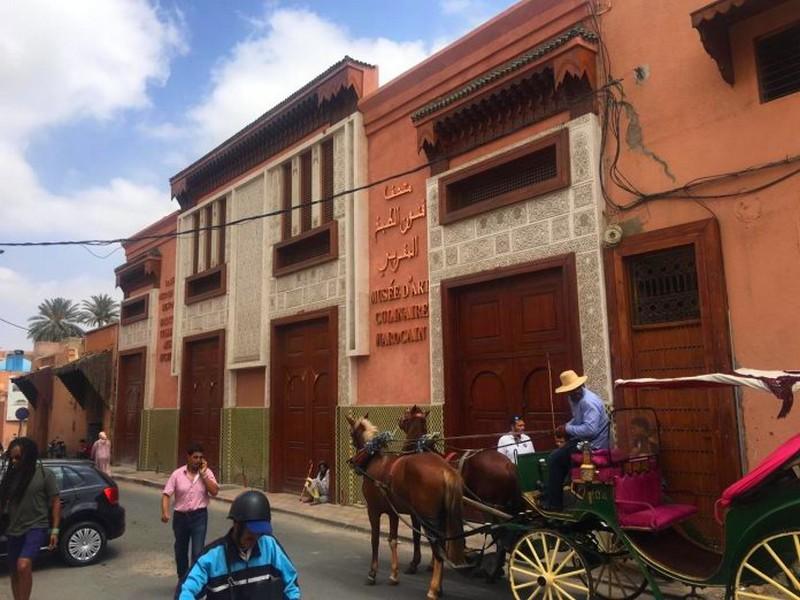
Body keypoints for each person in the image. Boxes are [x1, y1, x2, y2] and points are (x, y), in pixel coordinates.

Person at [176, 490, 301, 599]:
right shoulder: (211, 558)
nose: (255, 536)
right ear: (237, 525)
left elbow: (291, 584)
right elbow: (186, 591)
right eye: (251, 530)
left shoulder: (270, 546)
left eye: (260, 531)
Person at [0, 437, 60, 600]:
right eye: (12, 457)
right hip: (14, 528)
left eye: (18, 457)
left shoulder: (44, 474)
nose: (14, 461)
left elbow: (55, 502)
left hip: (36, 527)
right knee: (14, 570)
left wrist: (55, 529)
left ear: (29, 456)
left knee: (23, 565)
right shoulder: (10, 477)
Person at [543, 370, 610, 511]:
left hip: (594, 445)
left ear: (581, 386)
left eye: (576, 389)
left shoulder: (588, 402)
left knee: (554, 458)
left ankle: (554, 504)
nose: (575, 392)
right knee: (561, 454)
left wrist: (567, 429)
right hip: (583, 441)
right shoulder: (574, 399)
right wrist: (566, 426)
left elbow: (590, 430)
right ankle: (567, 492)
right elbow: (579, 420)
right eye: (571, 390)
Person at [162, 443, 220, 580]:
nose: (198, 460)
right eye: (195, 457)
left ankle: (195, 581)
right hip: (181, 518)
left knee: (197, 551)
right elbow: (166, 494)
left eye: (200, 457)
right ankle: (183, 579)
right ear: (188, 457)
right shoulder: (177, 474)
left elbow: (215, 492)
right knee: (181, 551)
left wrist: (204, 474)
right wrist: (165, 512)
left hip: (199, 517)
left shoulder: (207, 473)